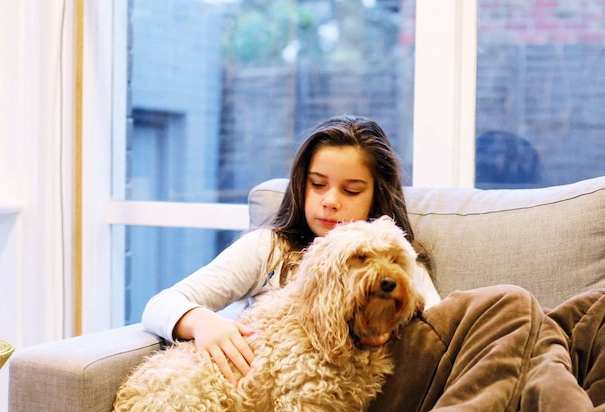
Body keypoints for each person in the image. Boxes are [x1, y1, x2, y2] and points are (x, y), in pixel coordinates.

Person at [142, 115, 440, 384]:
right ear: (301, 185)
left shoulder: (401, 264)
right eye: (318, 185)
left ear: (377, 196)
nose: (331, 201)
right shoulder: (270, 248)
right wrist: (202, 323)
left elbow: (438, 338)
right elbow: (161, 304)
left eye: (351, 190)